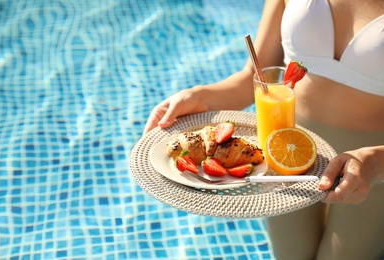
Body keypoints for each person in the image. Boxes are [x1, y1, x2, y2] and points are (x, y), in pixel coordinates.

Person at [143, 0, 384, 259]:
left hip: (373, 173)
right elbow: (255, 78)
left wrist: (375, 162)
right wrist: (201, 97)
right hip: (280, 162)